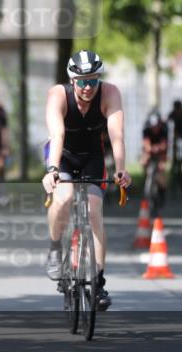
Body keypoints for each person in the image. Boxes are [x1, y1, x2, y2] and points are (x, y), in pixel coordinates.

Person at [42, 50, 132, 310]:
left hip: (93, 155)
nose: (88, 87)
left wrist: (122, 169)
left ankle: (99, 283)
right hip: (62, 156)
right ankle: (55, 248)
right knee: (65, 198)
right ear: (72, 81)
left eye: (93, 80)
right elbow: (57, 135)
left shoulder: (110, 93)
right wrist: (52, 170)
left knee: (94, 211)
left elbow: (116, 135)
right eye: (82, 81)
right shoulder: (57, 95)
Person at [142, 110, 168, 199]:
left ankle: (163, 191)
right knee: (144, 162)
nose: (155, 128)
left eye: (156, 126)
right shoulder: (146, 130)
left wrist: (159, 148)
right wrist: (150, 148)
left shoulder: (164, 130)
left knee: (161, 169)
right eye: (153, 127)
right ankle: (146, 179)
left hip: (161, 153)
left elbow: (164, 145)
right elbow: (146, 144)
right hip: (150, 152)